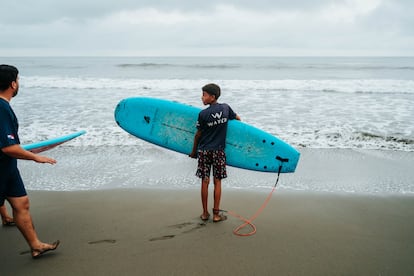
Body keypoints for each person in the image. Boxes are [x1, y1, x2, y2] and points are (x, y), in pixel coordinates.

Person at [0, 64, 60, 258]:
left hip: (7, 167)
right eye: (18, 79)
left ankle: (36, 245)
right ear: (12, 84)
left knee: (21, 204)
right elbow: (8, 147)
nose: (18, 83)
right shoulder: (1, 108)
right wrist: (36, 157)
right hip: (2, 165)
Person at [189, 83, 240, 222]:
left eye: (204, 94)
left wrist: (194, 152)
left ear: (212, 97)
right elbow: (238, 120)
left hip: (205, 151)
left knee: (205, 181)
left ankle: (205, 214)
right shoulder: (225, 108)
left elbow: (198, 135)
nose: (202, 97)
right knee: (217, 182)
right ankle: (216, 215)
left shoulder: (203, 114)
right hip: (218, 151)